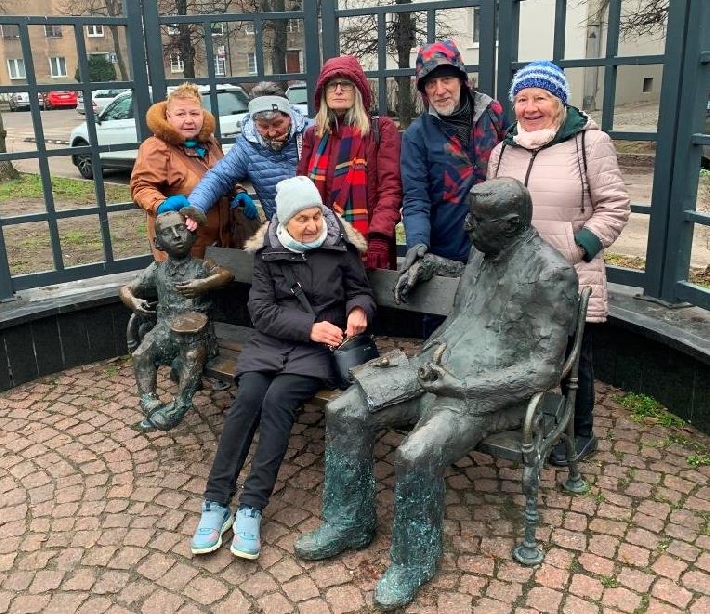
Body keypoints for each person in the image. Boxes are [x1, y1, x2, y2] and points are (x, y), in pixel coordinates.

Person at [294, 177, 578, 610]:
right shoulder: (487, 247)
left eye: (477, 220)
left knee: (417, 453)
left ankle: (414, 562)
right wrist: (430, 266)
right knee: (345, 412)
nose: (466, 226)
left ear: (511, 223)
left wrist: (463, 388)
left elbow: (544, 370)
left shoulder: (552, 274)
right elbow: (476, 282)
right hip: (434, 367)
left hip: (485, 393)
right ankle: (349, 521)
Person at [189, 176, 376, 561]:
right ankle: (216, 502)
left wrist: (359, 309)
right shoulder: (268, 253)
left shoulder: (340, 247)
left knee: (277, 401)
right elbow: (260, 311)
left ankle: (251, 506)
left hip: (318, 352)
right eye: (301, 219)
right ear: (284, 220)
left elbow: (360, 290)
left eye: (316, 216)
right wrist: (308, 326)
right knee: (248, 399)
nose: (311, 225)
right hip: (271, 344)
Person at [487, 60, 630, 466]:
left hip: (569, 273)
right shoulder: (502, 151)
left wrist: (575, 248)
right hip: (517, 274)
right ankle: (523, 419)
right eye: (522, 99)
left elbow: (615, 206)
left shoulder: (590, 144)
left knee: (572, 359)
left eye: (541, 98)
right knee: (519, 351)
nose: (530, 108)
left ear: (560, 101)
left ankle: (580, 433)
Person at [398, 39, 507, 334]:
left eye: (446, 79)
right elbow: (415, 196)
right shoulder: (417, 134)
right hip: (446, 246)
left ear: (461, 79)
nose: (439, 90)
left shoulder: (493, 115)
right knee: (441, 332)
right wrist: (417, 241)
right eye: (430, 83)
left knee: (491, 330)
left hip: (494, 245)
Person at [119, 210, 234, 430]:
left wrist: (204, 284)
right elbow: (126, 289)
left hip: (198, 337)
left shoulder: (201, 267)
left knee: (192, 356)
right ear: (158, 243)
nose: (176, 236)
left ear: (193, 234)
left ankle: (179, 406)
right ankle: (150, 403)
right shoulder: (157, 269)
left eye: (180, 228)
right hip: (164, 330)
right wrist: (133, 302)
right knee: (142, 354)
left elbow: (226, 276)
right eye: (167, 232)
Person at [297, 55, 401, 270]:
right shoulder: (313, 135)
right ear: (323, 92)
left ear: (358, 90)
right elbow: (301, 190)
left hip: (368, 243)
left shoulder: (380, 130)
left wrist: (379, 236)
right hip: (320, 244)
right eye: (332, 85)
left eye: (346, 84)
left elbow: (390, 188)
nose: (338, 90)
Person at [130, 83, 234, 260]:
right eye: (180, 114)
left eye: (194, 113)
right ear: (168, 116)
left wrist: (238, 191)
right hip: (182, 243)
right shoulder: (156, 147)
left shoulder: (210, 143)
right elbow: (141, 187)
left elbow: (225, 174)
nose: (189, 120)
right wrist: (161, 205)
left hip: (221, 242)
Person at [186, 81, 310, 224]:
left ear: (289, 115)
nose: (271, 132)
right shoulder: (247, 146)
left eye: (278, 124)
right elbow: (219, 177)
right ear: (254, 122)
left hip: (321, 221)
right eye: (263, 126)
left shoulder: (311, 133)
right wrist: (195, 207)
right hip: (282, 227)